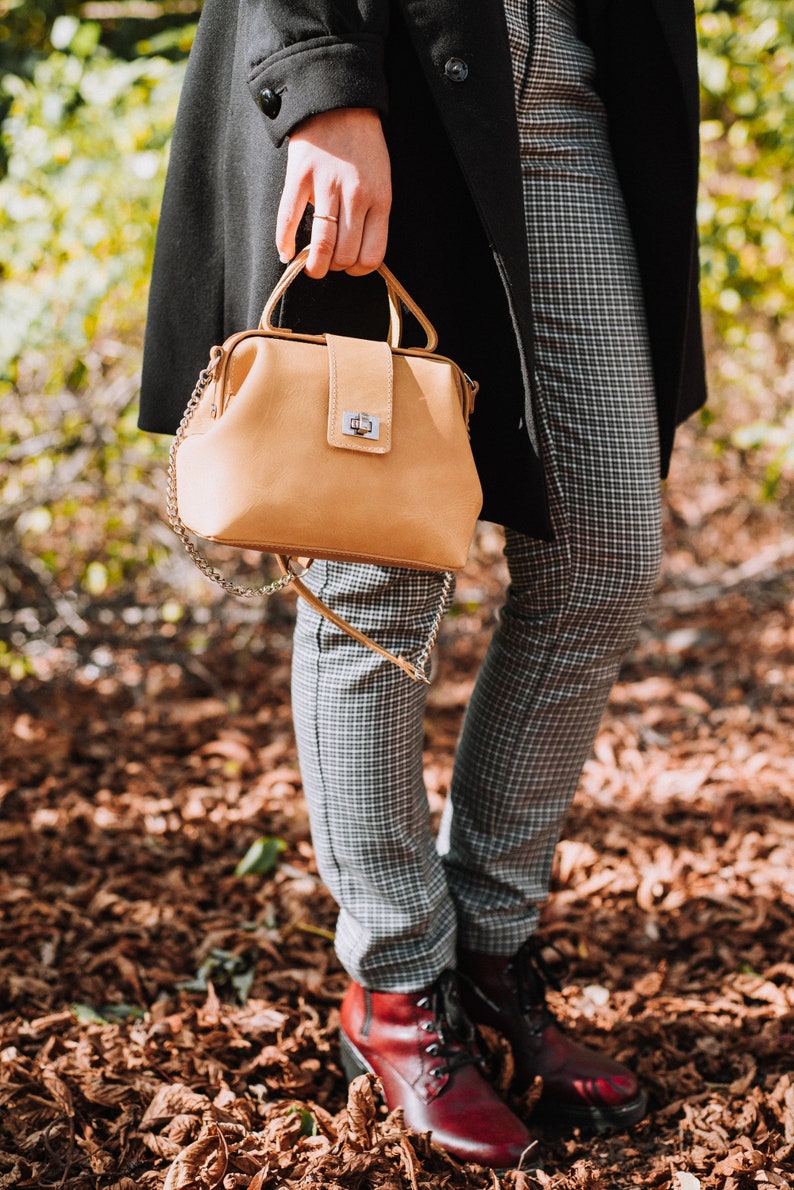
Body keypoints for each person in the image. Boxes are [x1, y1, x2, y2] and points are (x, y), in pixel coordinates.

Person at [139, 0, 705, 1170]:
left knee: (601, 550)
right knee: (376, 569)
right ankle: (397, 986)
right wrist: (320, 83)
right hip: (390, 75)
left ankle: (487, 954)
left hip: (576, 87)